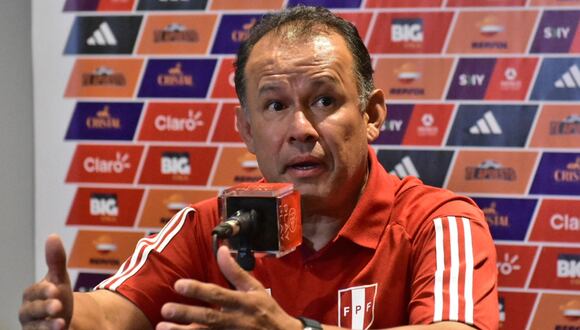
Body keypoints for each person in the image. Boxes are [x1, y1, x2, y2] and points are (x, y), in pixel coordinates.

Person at [19, 6, 498, 330]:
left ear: (371, 116)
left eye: (325, 100)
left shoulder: (440, 223)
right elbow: (111, 313)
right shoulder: (208, 225)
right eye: (275, 106)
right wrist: (65, 313)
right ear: (246, 129)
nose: (300, 128)